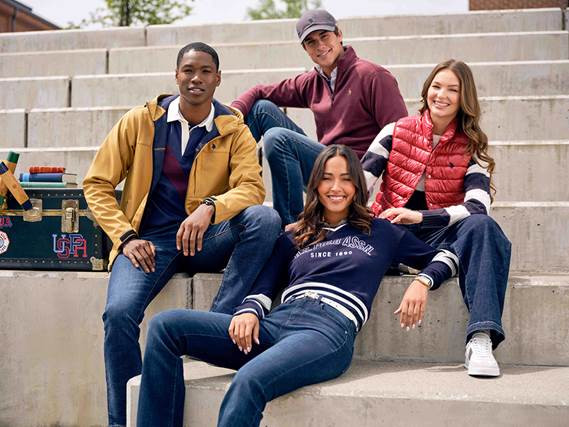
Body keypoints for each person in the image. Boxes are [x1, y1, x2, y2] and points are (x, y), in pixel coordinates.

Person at [135, 145, 456, 426]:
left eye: (345, 179)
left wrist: (423, 281)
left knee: (248, 380)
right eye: (327, 178)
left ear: (358, 186)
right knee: (165, 326)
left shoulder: (380, 231)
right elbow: (265, 285)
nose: (336, 187)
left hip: (325, 331)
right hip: (276, 324)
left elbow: (447, 255)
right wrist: (249, 310)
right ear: (315, 185)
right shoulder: (295, 235)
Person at [83, 42, 281, 426]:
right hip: (149, 243)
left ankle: (216, 323)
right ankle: (123, 420)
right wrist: (126, 237)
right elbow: (97, 184)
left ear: (218, 79)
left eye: (205, 71)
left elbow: (252, 189)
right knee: (118, 314)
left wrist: (210, 207)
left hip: (207, 237)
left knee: (264, 219)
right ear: (176, 75)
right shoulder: (140, 121)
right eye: (189, 70)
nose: (196, 78)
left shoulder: (234, 129)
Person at [361, 59, 512, 377]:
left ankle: (481, 338)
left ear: (464, 98)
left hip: (439, 232)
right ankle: (434, 263)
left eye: (452, 90)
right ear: (426, 89)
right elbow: (360, 185)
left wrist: (420, 217)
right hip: (391, 230)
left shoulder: (472, 146)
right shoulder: (395, 131)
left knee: (483, 227)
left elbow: (477, 206)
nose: (441, 95)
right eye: (436, 86)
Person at [231, 9, 408, 225]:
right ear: (305, 49)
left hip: (355, 175)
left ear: (339, 35)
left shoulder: (373, 76)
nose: (320, 45)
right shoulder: (312, 81)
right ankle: (224, 190)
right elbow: (259, 91)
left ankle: (291, 227)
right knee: (262, 110)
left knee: (277, 138)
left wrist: (390, 201)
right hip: (325, 164)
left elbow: (401, 139)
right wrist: (231, 115)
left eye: (325, 36)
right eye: (311, 42)